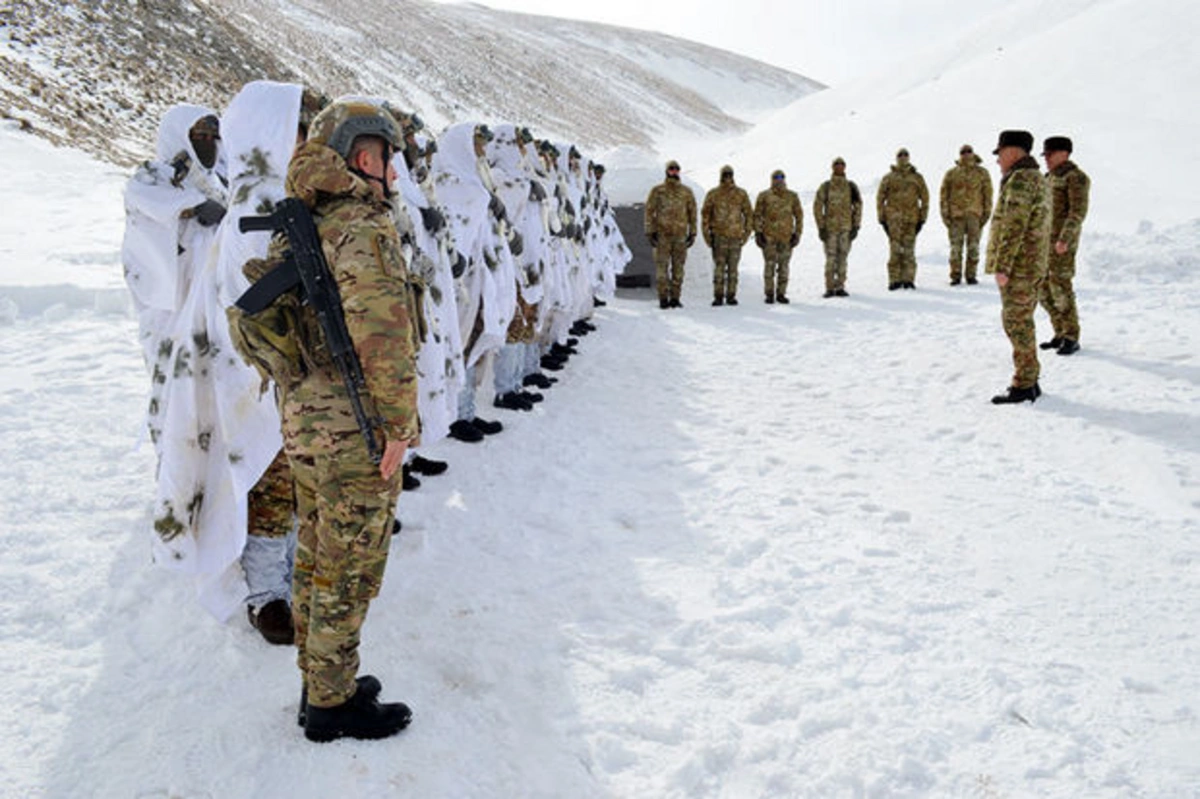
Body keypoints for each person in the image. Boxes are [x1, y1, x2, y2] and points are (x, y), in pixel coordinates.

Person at [280, 100, 419, 741]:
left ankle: (320, 680)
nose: (394, 170)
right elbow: (383, 334)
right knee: (350, 563)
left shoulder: (311, 217)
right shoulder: (360, 223)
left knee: (316, 552)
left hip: (308, 419)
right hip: (351, 424)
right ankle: (332, 707)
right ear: (366, 155)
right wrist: (400, 426)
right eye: (389, 157)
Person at [984, 129, 1050, 404]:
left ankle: (1025, 383)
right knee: (1022, 321)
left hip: (1020, 267)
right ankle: (1030, 379)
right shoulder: (1034, 177)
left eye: (1000, 153)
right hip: (1030, 265)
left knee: (1016, 322)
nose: (998, 160)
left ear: (1013, 151)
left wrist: (1003, 266)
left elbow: (1014, 225)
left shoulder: (1021, 180)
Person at [1038, 136, 1090, 356]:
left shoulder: (1075, 178)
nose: (1046, 159)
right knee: (1043, 289)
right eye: (1045, 155)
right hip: (1042, 243)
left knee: (1060, 288)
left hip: (1061, 245)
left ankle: (1071, 335)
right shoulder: (1047, 178)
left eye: (1050, 154)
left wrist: (1064, 239)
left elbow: (1077, 212)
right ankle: (1059, 331)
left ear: (1064, 153)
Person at [643, 159, 697, 308]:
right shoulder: (657, 191)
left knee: (678, 269)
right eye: (671, 169)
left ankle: (675, 298)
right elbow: (649, 211)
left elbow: (692, 213)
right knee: (662, 269)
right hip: (662, 237)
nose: (674, 171)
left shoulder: (686, 192)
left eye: (676, 169)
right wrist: (650, 231)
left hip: (680, 237)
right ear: (666, 171)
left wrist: (692, 233)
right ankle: (663, 298)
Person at [939, 144, 993, 285]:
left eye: (969, 151)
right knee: (955, 248)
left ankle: (971, 275)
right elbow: (944, 196)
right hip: (956, 217)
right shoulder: (951, 174)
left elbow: (988, 195)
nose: (966, 154)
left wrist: (985, 215)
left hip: (975, 216)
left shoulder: (982, 173)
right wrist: (946, 216)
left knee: (973, 247)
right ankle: (955, 275)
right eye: (963, 152)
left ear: (973, 153)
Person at [700, 165, 753, 306]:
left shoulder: (741, 194)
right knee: (719, 269)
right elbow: (705, 216)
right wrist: (707, 236)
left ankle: (731, 296)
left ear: (733, 175)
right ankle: (718, 296)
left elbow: (749, 215)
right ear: (721, 175)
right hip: (719, 238)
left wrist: (746, 234)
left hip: (735, 238)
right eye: (725, 174)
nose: (727, 177)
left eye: (729, 174)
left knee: (733, 270)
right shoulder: (713, 194)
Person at [877, 148, 929, 290]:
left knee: (909, 251)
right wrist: (882, 219)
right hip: (893, 221)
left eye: (905, 154)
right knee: (895, 251)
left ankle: (908, 279)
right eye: (900, 155)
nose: (903, 157)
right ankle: (894, 279)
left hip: (911, 220)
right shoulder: (889, 177)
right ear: (896, 158)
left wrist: (922, 219)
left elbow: (925, 198)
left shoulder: (917, 178)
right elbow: (880, 198)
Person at [813, 157, 862, 297]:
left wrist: (856, 226)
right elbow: (817, 206)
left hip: (846, 229)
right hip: (830, 230)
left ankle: (840, 286)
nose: (839, 166)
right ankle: (829, 287)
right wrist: (821, 227)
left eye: (841, 164)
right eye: (836, 164)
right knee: (830, 258)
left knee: (843, 258)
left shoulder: (851, 186)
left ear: (845, 167)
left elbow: (858, 206)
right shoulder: (826, 186)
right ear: (832, 167)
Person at [753, 169, 803, 304]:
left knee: (784, 267)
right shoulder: (764, 196)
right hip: (769, 238)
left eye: (781, 177)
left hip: (786, 238)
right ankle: (769, 294)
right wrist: (758, 233)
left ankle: (781, 294)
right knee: (769, 266)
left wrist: (797, 234)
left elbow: (799, 216)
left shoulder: (792, 196)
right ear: (772, 179)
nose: (779, 179)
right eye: (776, 177)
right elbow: (757, 215)